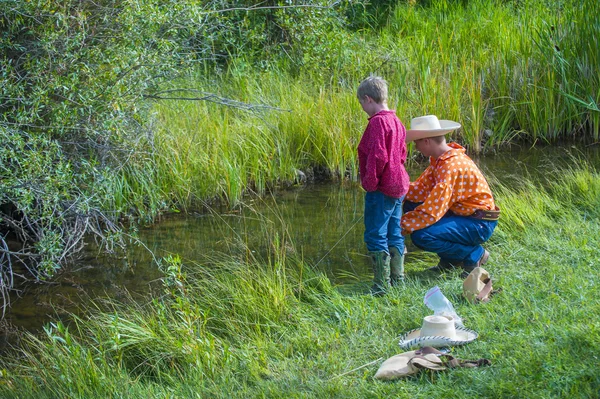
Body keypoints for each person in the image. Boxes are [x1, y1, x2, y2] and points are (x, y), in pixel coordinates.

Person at [400, 115, 500, 277]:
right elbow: (421, 190)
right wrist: (397, 189)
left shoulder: (450, 167)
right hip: (466, 216)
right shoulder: (441, 160)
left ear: (426, 141)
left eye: (417, 142)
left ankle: (473, 255)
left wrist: (401, 226)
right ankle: (451, 260)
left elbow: (432, 211)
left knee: (422, 236)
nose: (416, 147)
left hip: (479, 223)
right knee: (411, 204)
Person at [356, 76, 410, 295]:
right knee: (394, 232)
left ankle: (381, 287)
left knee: (375, 234)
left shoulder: (378, 122)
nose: (362, 108)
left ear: (368, 99)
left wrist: (370, 183)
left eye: (361, 103)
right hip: (399, 185)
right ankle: (398, 281)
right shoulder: (397, 121)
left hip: (382, 187)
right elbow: (402, 155)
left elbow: (377, 156)